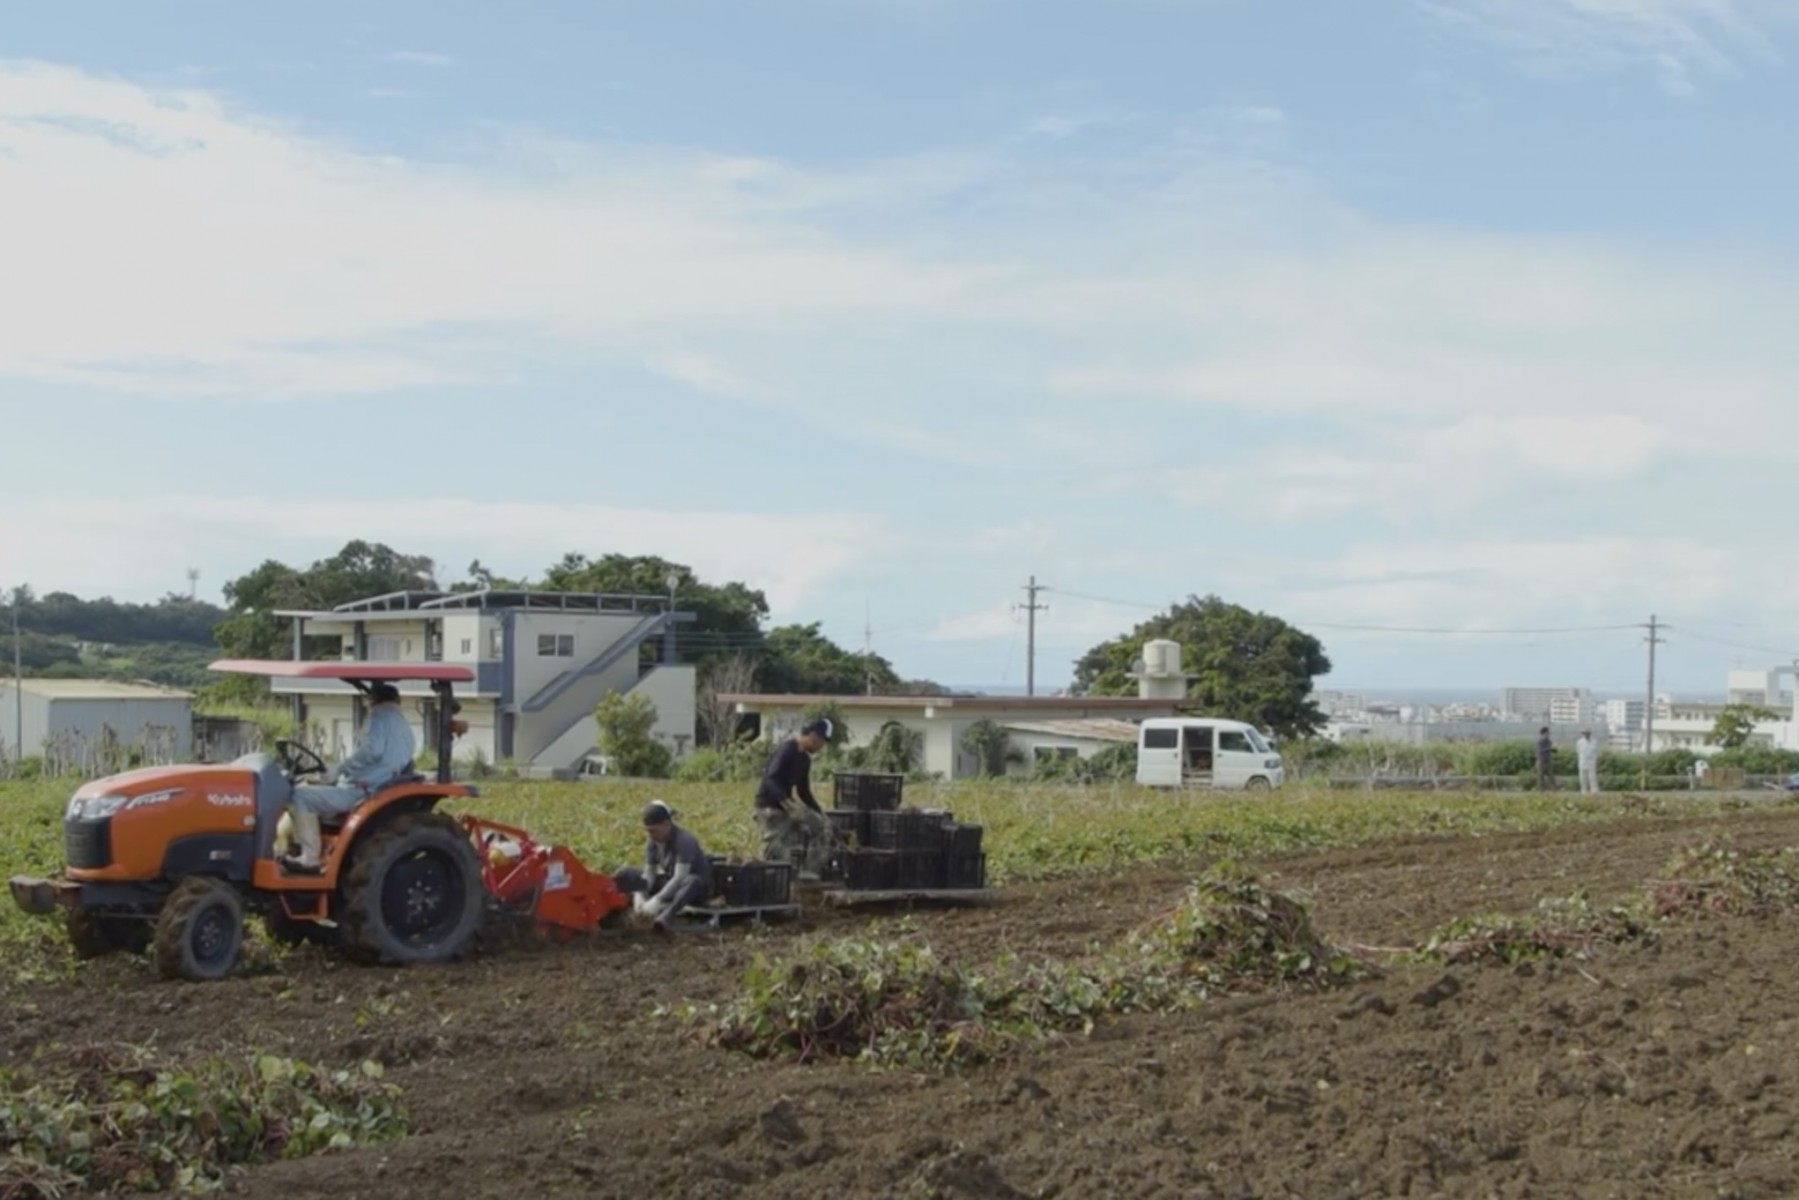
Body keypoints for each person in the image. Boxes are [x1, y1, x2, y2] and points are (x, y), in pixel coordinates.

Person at [281, 683, 416, 874]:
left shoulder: (379, 716)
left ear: (372, 700)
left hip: (361, 789)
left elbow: (371, 751)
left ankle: (309, 857)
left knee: (300, 796)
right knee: (312, 787)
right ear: (397, 700)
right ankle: (306, 848)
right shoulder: (403, 725)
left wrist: (341, 767)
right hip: (378, 784)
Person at [614, 801, 713, 930]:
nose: (651, 835)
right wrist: (641, 893)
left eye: (653, 831)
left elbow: (680, 877)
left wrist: (657, 900)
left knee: (692, 881)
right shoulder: (653, 841)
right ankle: (619, 907)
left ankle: (667, 916)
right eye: (648, 831)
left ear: (666, 824)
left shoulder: (684, 840)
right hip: (670, 881)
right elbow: (650, 872)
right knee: (626, 872)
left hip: (692, 888)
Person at [755, 717, 834, 880]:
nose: (821, 747)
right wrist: (786, 803)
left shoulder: (804, 759)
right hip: (770, 807)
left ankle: (809, 872)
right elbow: (771, 778)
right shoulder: (787, 749)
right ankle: (766, 877)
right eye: (821, 741)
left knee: (821, 828)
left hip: (786, 808)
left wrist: (820, 813)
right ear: (813, 735)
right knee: (779, 851)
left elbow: (803, 791)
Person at [1575, 729, 1600, 795]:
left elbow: (1597, 751)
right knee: (1583, 777)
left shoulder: (1595, 741)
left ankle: (1594, 790)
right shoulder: (1579, 742)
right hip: (1582, 761)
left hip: (1592, 761)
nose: (1586, 734)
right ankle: (1584, 790)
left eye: (1587, 733)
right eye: (1585, 733)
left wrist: (1594, 758)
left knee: (1592, 777)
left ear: (1590, 734)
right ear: (1583, 734)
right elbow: (1578, 751)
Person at [1535, 726, 1553, 791]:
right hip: (1541, 761)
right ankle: (1541, 791)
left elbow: (1550, 748)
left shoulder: (1548, 741)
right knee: (1540, 777)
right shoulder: (1539, 741)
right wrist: (1548, 749)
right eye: (1548, 733)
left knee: (1551, 777)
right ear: (1544, 733)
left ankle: (1554, 791)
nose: (1549, 734)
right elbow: (1540, 751)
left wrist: (1552, 749)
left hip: (1548, 761)